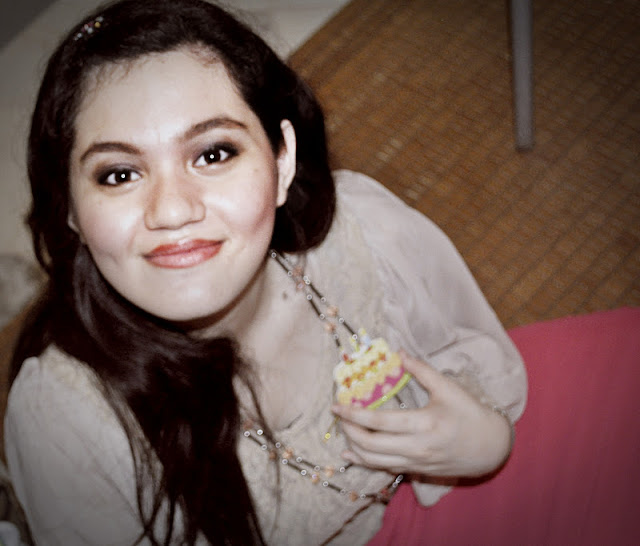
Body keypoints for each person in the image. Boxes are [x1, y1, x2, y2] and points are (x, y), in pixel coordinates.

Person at [4, 0, 526, 544]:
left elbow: (472, 372)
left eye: (213, 154)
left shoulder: (364, 231)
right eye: (118, 174)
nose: (173, 210)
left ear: (282, 161)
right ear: (70, 209)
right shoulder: (65, 423)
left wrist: (485, 442)